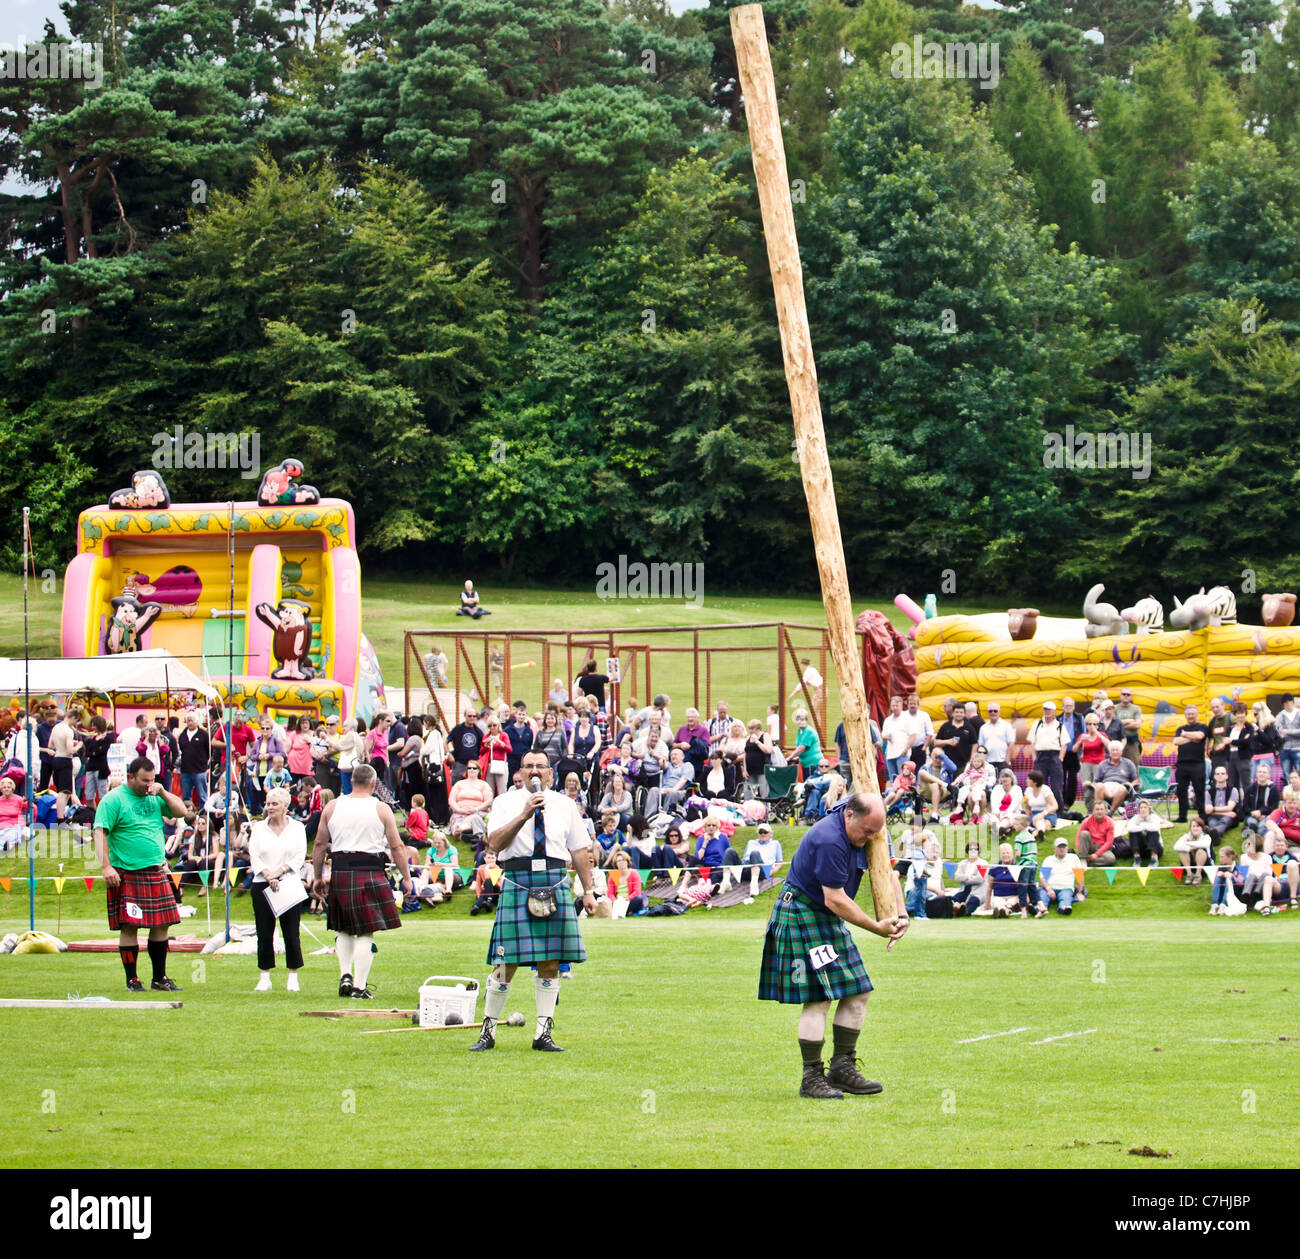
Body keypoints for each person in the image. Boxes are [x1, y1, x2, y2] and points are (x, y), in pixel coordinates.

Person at [758, 793, 904, 1099]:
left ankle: (842, 1068)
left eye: (874, 833)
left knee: (858, 990)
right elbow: (834, 899)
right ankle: (811, 1077)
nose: (869, 839)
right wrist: (877, 927)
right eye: (865, 831)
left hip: (823, 915)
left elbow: (887, 872)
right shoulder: (829, 838)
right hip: (802, 912)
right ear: (850, 816)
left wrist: (899, 914)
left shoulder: (873, 831)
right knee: (818, 998)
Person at [471, 750, 597, 1053]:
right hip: (517, 880)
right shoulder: (505, 803)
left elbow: (579, 850)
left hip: (554, 880)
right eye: (529, 767)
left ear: (550, 773)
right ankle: (487, 1030)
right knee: (505, 963)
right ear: (521, 773)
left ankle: (543, 1033)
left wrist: (589, 890)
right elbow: (495, 844)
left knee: (550, 962)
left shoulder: (566, 805)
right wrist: (525, 813)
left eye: (541, 766)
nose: (535, 771)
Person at [311, 764, 411, 1000]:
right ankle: (359, 986)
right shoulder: (381, 808)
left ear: (351, 781)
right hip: (370, 869)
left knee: (343, 926)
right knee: (366, 931)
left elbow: (319, 844)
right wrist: (406, 877)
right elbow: (396, 846)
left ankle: (345, 974)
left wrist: (317, 877)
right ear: (374, 783)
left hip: (341, 870)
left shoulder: (332, 806)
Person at [94, 757, 188, 992]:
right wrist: (106, 867)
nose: (149, 784)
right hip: (127, 872)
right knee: (130, 926)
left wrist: (163, 792)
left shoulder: (156, 796)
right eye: (144, 780)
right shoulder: (113, 800)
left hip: (156, 869)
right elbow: (100, 833)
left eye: (152, 779)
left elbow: (182, 812)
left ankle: (160, 978)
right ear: (130, 777)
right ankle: (132, 980)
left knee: (162, 925)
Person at [249, 786, 308, 992]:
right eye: (267, 803)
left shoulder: (297, 828)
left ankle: (293, 975)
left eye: (274, 803)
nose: (269, 807)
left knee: (291, 932)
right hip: (261, 883)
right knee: (264, 932)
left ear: (285, 805)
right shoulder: (258, 828)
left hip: (288, 882)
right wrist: (267, 875)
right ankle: (264, 976)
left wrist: (279, 872)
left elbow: (299, 856)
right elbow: (254, 855)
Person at [1027, 700, 1068, 815]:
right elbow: (1032, 742)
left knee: (1056, 786)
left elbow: (1064, 744)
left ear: (1054, 711)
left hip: (1054, 756)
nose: (1047, 712)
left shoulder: (1059, 726)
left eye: (1049, 710)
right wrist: (1034, 757)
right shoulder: (1037, 725)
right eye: (1045, 709)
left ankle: (1058, 812)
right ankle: (1039, 810)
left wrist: (1060, 758)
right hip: (1040, 756)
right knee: (1039, 785)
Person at [1173, 704, 1209, 822]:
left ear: (1197, 715)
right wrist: (1192, 738)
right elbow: (1176, 741)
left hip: (1197, 764)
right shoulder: (1180, 728)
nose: (1190, 716)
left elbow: (1200, 736)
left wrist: (1185, 735)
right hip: (1182, 764)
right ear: (1185, 715)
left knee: (1199, 790)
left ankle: (1202, 816)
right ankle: (1182, 816)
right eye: (1188, 714)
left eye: (1193, 714)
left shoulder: (1202, 726)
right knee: (1181, 791)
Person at [447, 761, 494, 843]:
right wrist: (460, 810)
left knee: (473, 818)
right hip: (460, 812)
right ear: (466, 770)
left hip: (478, 812)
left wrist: (476, 809)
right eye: (469, 768)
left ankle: (461, 829)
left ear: (479, 770)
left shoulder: (483, 784)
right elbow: (451, 800)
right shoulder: (459, 784)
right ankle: (459, 831)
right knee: (456, 819)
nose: (471, 770)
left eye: (474, 768)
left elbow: (488, 801)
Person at [1038, 838, 1084, 914]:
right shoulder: (1048, 859)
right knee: (1043, 896)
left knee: (1066, 897)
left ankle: (1063, 908)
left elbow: (1080, 876)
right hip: (1049, 888)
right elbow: (1043, 878)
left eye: (1064, 847)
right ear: (1054, 849)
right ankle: (1040, 909)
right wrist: (1049, 889)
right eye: (1059, 847)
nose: (1062, 849)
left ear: (1067, 848)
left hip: (1066, 889)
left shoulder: (1073, 858)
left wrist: (1080, 892)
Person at [1073, 713, 1108, 810]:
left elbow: (1109, 745)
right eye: (1089, 724)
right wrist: (1080, 741)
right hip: (1086, 764)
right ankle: (1090, 810)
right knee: (1087, 788)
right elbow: (1074, 749)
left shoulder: (1102, 735)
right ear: (1086, 725)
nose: (1091, 726)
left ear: (1097, 725)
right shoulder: (1083, 736)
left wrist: (1097, 733)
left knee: (1099, 787)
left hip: (1099, 764)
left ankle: (1101, 809)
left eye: (1094, 724)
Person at [1093, 741, 1139, 812]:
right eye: (1113, 750)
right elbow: (1095, 781)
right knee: (1099, 786)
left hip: (1122, 787)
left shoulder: (1128, 763)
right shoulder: (1102, 764)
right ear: (1109, 752)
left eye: (1117, 750)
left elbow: (1136, 780)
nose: (1115, 752)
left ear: (1121, 752)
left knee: (1122, 788)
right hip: (1106, 787)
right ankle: (1100, 811)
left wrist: (1130, 785)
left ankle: (1110, 812)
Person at [1202, 765, 1240, 848]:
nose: (1220, 775)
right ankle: (1215, 836)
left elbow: (1230, 807)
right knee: (1212, 822)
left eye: (1222, 773)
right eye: (1218, 774)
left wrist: (1213, 809)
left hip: (1227, 817)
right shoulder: (1208, 792)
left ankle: (1212, 834)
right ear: (1214, 776)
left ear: (1227, 776)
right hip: (1214, 816)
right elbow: (1208, 811)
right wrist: (1226, 812)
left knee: (1225, 821)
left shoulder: (1233, 790)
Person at [880, 696, 916, 782]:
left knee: (903, 777)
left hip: (902, 753)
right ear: (891, 706)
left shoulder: (907, 718)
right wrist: (886, 737)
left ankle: (904, 794)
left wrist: (906, 749)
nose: (895, 707)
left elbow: (913, 736)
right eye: (893, 706)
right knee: (893, 779)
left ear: (901, 706)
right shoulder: (888, 720)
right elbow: (882, 735)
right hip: (890, 754)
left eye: (897, 705)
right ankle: (895, 794)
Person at [1125, 798, 1167, 868]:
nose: (1143, 809)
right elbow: (1129, 828)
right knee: (1133, 833)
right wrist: (1143, 827)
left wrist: (1142, 825)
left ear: (1149, 809)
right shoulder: (1136, 818)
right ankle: (1137, 858)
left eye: (1145, 807)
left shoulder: (1154, 817)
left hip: (1156, 848)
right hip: (1143, 849)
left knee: (1152, 832)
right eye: (1141, 807)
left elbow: (1155, 828)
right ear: (1138, 809)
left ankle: (1154, 859)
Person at [1075, 799, 1117, 866]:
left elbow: (1109, 842)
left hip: (1103, 847)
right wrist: (1080, 851)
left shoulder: (1110, 823)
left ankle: (1087, 861)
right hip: (1090, 845)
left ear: (1106, 811)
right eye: (1097, 809)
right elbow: (1078, 837)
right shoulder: (1086, 821)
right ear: (1093, 811)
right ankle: (1083, 858)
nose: (1099, 811)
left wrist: (1097, 854)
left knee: (1111, 859)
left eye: (1101, 809)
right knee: (1084, 834)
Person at [933, 705, 975, 772]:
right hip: (946, 764)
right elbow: (935, 742)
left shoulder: (969, 727)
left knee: (961, 782)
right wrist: (947, 742)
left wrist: (971, 760)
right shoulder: (945, 726)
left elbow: (974, 744)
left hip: (963, 764)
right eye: (957, 712)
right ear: (953, 713)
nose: (959, 714)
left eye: (961, 712)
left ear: (964, 714)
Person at [1172, 815, 1212, 885]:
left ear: (1202, 828)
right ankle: (1189, 874)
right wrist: (1190, 848)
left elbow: (1204, 844)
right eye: (1193, 826)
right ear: (1190, 828)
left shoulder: (1206, 836)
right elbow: (1176, 847)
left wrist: (1187, 844)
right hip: (1190, 864)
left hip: (1205, 865)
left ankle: (1198, 875)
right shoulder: (1186, 836)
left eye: (1198, 826)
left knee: (1200, 851)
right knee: (1182, 851)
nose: (1195, 828)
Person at [917, 746, 957, 814]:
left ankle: (934, 814)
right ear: (931, 756)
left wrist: (941, 755)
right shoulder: (925, 767)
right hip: (927, 792)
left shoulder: (946, 767)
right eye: (935, 757)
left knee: (935, 785)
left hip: (942, 792)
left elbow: (954, 769)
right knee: (921, 772)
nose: (937, 760)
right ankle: (943, 783)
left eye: (940, 757)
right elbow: (919, 784)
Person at [1113, 687, 1143, 767]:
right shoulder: (1114, 708)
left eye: (1128, 694)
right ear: (1120, 695)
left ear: (1131, 696)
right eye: (1124, 694)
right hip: (1117, 741)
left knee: (1134, 764)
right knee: (1116, 765)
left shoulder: (1136, 708)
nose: (1126, 696)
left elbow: (1137, 725)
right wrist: (1130, 720)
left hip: (1132, 742)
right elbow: (1114, 725)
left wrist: (1120, 723)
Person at [979, 703, 1012, 775]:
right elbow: (981, 746)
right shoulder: (983, 728)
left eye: (995, 711)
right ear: (988, 712)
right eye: (990, 711)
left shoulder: (1006, 726)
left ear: (999, 712)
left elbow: (1011, 744)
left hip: (1002, 762)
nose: (993, 713)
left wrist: (1006, 761)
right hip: (987, 763)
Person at [334, 717, 363, 796]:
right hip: (355, 766)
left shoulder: (350, 735)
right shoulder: (357, 736)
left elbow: (338, 746)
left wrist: (326, 739)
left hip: (348, 768)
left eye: (345, 726)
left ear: (350, 727)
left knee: (347, 789)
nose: (343, 728)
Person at [470, 849, 504, 915]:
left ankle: (484, 903)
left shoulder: (497, 868)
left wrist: (487, 867)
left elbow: (488, 878)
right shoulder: (480, 868)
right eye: (488, 858)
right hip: (487, 891)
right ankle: (479, 906)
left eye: (492, 858)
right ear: (484, 858)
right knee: (484, 891)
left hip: (496, 892)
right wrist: (478, 896)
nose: (490, 860)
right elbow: (478, 883)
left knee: (488, 881)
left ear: (496, 859)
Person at [1209, 845, 1240, 915]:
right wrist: (1220, 874)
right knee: (1218, 878)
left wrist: (1232, 876)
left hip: (1234, 891)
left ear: (1230, 857)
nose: (1220, 859)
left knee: (1229, 880)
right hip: (1222, 889)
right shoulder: (1221, 866)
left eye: (1222, 857)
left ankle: (1223, 905)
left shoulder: (1237, 866)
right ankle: (1214, 904)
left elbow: (1241, 882)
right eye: (1220, 857)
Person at [792, 709, 822, 778]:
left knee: (811, 784)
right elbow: (799, 746)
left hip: (813, 764)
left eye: (802, 719)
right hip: (805, 764)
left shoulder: (809, 731)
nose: (799, 721)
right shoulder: (800, 730)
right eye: (797, 719)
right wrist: (796, 757)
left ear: (806, 720)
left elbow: (801, 748)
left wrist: (790, 757)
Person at [1277, 694, 1300, 782]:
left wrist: (1288, 731)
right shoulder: (1280, 716)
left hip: (1298, 748)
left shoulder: (1298, 713)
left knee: (1299, 772)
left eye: (1289, 702)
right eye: (1285, 703)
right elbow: (1279, 732)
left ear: (1293, 702)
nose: (1288, 704)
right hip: (1285, 749)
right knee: (1287, 774)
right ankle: (1289, 792)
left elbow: (1285, 732)